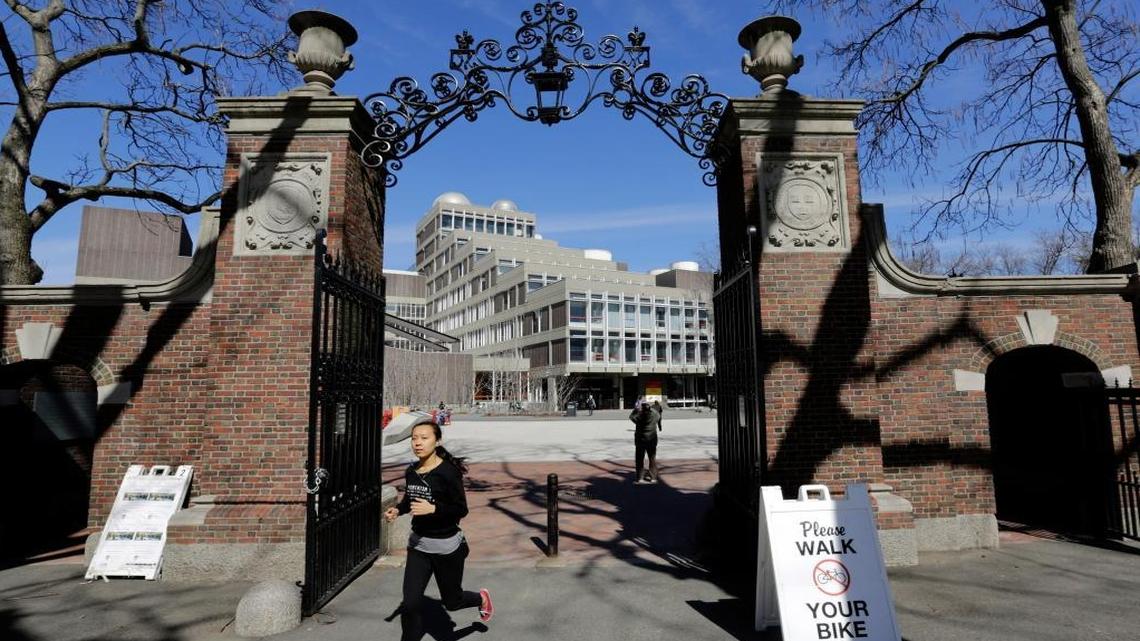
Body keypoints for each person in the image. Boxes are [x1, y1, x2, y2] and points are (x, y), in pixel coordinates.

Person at [384, 419, 493, 640]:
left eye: (424, 438)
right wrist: (398, 510)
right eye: (414, 438)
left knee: (453, 602)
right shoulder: (411, 471)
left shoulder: (448, 472)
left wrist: (433, 508)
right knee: (411, 604)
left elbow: (461, 509)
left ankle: (481, 599)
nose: (418, 443)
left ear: (437, 440)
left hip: (447, 548)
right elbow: (410, 500)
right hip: (419, 546)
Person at [628, 403, 660, 484]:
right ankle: (653, 478)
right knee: (652, 459)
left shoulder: (639, 417)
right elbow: (658, 415)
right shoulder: (654, 415)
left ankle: (640, 478)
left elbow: (631, 417)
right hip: (652, 440)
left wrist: (635, 410)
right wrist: (650, 408)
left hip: (640, 440)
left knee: (639, 459)